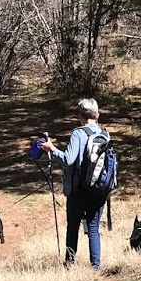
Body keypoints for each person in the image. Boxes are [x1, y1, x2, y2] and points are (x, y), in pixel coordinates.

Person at [44, 98, 111, 270]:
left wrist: (52, 149)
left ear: (79, 116)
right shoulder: (105, 134)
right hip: (100, 189)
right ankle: (96, 267)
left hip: (78, 190)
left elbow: (68, 159)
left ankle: (69, 264)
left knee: (73, 227)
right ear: (97, 115)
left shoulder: (78, 134)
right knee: (93, 228)